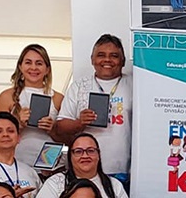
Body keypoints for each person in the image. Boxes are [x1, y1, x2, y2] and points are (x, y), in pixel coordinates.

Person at [54, 34, 133, 182]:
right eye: (101, 55)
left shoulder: (134, 85)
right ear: (92, 59)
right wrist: (80, 123)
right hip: (86, 171)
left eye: (114, 56)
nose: (107, 60)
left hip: (125, 171)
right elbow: (60, 127)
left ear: (122, 61)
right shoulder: (79, 86)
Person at [31, 133, 134, 198]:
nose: (85, 156)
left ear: (98, 155)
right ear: (70, 156)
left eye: (90, 151)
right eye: (78, 151)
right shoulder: (55, 183)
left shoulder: (113, 184)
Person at [0, 44, 64, 169]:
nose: (33, 68)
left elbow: (69, 139)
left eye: (39, 63)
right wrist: (18, 123)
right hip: (16, 161)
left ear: (47, 69)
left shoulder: (58, 98)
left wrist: (52, 129)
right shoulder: (7, 96)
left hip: (50, 161)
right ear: (20, 66)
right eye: (28, 62)